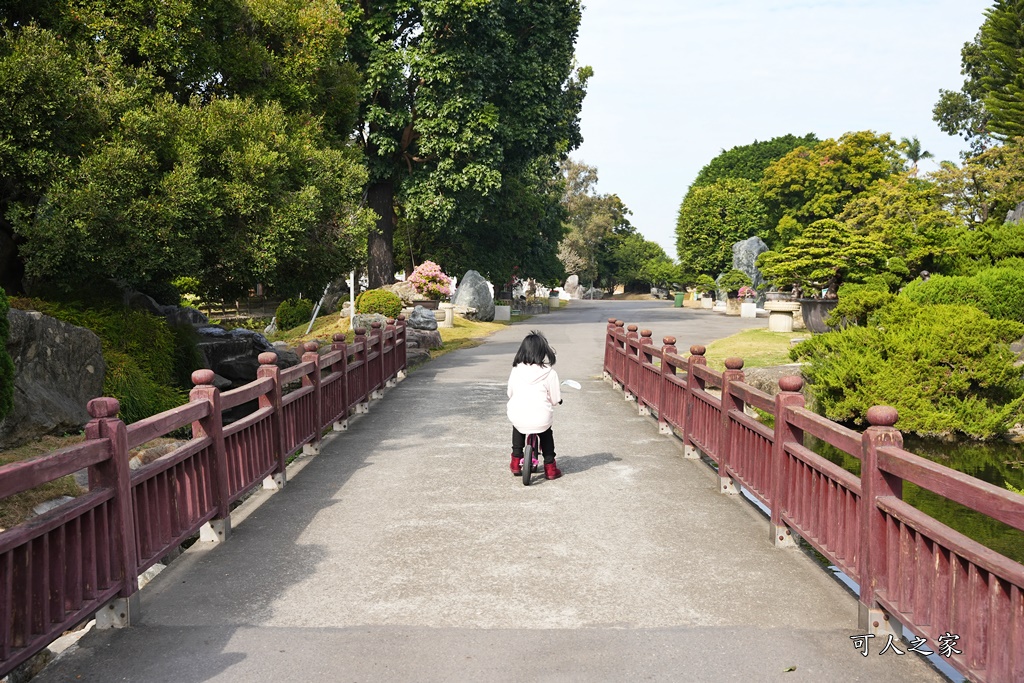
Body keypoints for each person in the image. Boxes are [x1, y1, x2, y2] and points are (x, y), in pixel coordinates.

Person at [506, 330, 562, 480]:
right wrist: (556, 401)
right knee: (546, 432)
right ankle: (550, 467)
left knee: (518, 426)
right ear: (543, 351)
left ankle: (515, 462)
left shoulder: (516, 370)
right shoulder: (550, 373)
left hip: (519, 414)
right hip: (540, 417)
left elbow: (510, 393)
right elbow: (555, 398)